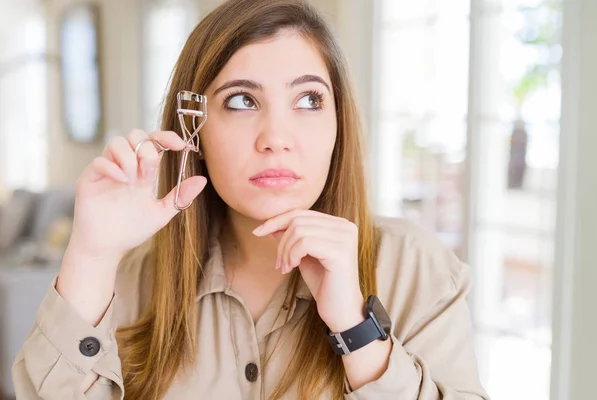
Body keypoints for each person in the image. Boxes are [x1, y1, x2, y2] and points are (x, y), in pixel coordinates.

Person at [12, 0, 489, 399]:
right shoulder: (133, 283)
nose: (276, 138)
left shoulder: (417, 269)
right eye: (242, 101)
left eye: (308, 100)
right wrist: (91, 256)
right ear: (195, 130)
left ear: (337, 126)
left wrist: (356, 329)